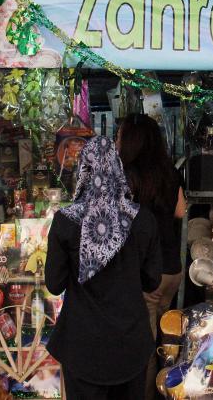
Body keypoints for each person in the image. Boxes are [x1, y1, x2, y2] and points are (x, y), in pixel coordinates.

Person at [45, 136, 162, 400]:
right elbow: (152, 281)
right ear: (118, 169)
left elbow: (54, 284)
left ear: (83, 171)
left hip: (82, 346)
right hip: (130, 345)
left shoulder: (66, 222)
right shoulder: (143, 219)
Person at [116, 114, 186, 398]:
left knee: (143, 346)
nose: (116, 142)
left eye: (119, 136)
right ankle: (167, 390)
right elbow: (180, 211)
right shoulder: (169, 171)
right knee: (165, 341)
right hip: (172, 270)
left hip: (148, 274)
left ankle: (148, 395)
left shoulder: (127, 176)